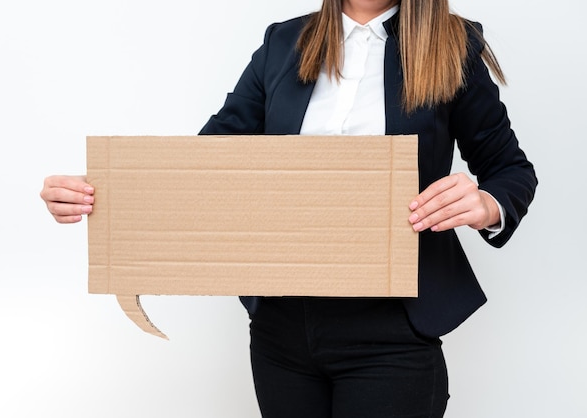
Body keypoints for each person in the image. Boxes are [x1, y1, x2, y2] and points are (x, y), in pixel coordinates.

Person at [40, 0, 537, 416]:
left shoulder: (455, 46)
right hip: (281, 331)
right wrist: (100, 193)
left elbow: (510, 170)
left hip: (393, 332)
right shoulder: (283, 43)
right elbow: (204, 165)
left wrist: (486, 203)